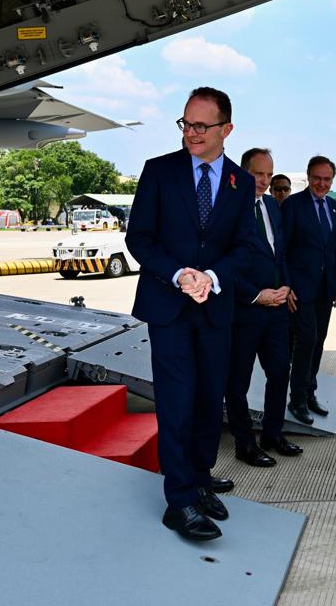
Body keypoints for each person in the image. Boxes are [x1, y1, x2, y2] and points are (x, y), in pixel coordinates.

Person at [125, 86, 265, 541]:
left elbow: (245, 246)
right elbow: (139, 239)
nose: (192, 132)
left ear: (227, 129)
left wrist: (212, 277)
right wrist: (180, 273)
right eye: (186, 123)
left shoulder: (240, 184)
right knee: (177, 402)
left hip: (214, 307)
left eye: (202, 125)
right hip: (169, 306)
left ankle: (200, 478)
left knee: (209, 401)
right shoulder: (160, 172)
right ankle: (179, 499)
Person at [226, 148, 303, 468]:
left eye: (269, 176)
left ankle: (272, 433)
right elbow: (226, 266)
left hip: (276, 311)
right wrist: (256, 296)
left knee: (278, 372)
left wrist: (285, 287)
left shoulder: (272, 205)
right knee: (238, 381)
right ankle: (245, 443)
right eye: (259, 174)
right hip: (245, 311)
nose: (264, 181)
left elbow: (279, 253)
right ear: (244, 173)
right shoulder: (229, 209)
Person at [282, 155, 336, 425]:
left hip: (325, 289)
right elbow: (281, 250)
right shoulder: (293, 206)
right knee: (306, 340)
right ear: (308, 177)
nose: (322, 183)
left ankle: (309, 393)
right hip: (300, 288)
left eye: (327, 179)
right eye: (317, 178)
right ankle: (296, 400)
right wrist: (285, 286)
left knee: (318, 341)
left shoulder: (334, 208)